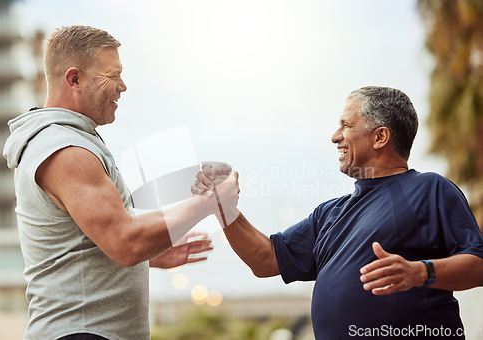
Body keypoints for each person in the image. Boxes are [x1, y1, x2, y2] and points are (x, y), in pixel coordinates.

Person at [3, 25, 239, 340]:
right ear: (75, 79)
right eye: (112, 76)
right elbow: (125, 243)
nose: (123, 86)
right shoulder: (67, 152)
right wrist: (209, 202)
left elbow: (95, 241)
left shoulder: (70, 142)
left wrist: (151, 256)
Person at [194, 86, 483, 339]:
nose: (335, 137)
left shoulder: (430, 189)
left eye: (346, 126)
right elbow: (266, 260)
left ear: (380, 136)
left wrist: (420, 272)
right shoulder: (330, 213)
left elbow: (478, 264)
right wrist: (223, 207)